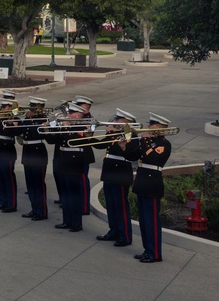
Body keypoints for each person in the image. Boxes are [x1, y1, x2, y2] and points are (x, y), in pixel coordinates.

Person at [126, 113, 172, 263]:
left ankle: (155, 253)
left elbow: (152, 158)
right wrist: (125, 145)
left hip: (152, 183)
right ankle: (147, 250)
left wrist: (144, 140)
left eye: (152, 124)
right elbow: (133, 156)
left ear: (160, 127)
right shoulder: (147, 141)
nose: (149, 126)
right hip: (142, 181)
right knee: (144, 220)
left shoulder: (164, 144)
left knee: (151, 220)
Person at [44, 102, 90, 232]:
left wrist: (65, 127)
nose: (67, 115)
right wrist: (48, 130)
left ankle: (76, 223)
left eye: (71, 113)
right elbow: (53, 141)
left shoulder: (83, 127)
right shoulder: (65, 126)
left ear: (78, 116)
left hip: (74, 164)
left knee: (74, 195)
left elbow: (75, 140)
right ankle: (66, 221)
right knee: (65, 195)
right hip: (63, 163)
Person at [94, 108, 138, 246]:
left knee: (121, 206)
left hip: (121, 172)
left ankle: (125, 236)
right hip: (109, 171)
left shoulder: (131, 133)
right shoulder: (114, 132)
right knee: (111, 204)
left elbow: (129, 152)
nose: (115, 121)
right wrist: (89, 134)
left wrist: (113, 133)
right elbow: (101, 145)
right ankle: (113, 230)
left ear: (127, 122)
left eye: (118, 119)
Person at [14, 97, 50, 220]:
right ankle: (34, 208)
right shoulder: (28, 119)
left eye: (33, 107)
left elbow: (38, 134)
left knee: (38, 184)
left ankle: (42, 211)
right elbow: (20, 131)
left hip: (38, 152)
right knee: (30, 184)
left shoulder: (43, 119)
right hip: (28, 152)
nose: (30, 109)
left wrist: (30, 118)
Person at [0, 96, 20, 212]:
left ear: (10, 108)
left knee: (8, 179)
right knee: (0, 178)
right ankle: (2, 201)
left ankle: (11, 204)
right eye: (1, 107)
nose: (1, 110)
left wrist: (11, 123)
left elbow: (16, 133)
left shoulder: (15, 119)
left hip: (7, 152)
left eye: (4, 108)